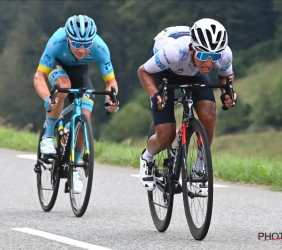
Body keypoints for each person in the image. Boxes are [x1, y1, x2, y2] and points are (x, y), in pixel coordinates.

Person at [137, 18, 237, 191]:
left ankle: (200, 166)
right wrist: (155, 94)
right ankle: (147, 157)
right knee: (165, 136)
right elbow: (143, 71)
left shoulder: (224, 54)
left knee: (208, 116)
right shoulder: (173, 52)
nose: (208, 63)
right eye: (204, 55)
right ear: (192, 49)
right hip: (164, 71)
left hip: (194, 73)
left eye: (214, 57)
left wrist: (226, 92)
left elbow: (225, 76)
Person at [34, 14, 119, 193]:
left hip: (81, 75)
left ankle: (75, 170)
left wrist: (111, 99)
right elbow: (39, 76)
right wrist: (46, 98)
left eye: (86, 44)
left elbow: (110, 82)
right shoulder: (56, 42)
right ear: (67, 38)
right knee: (64, 86)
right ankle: (48, 136)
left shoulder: (100, 47)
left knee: (84, 118)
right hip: (58, 69)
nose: (82, 49)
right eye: (76, 44)